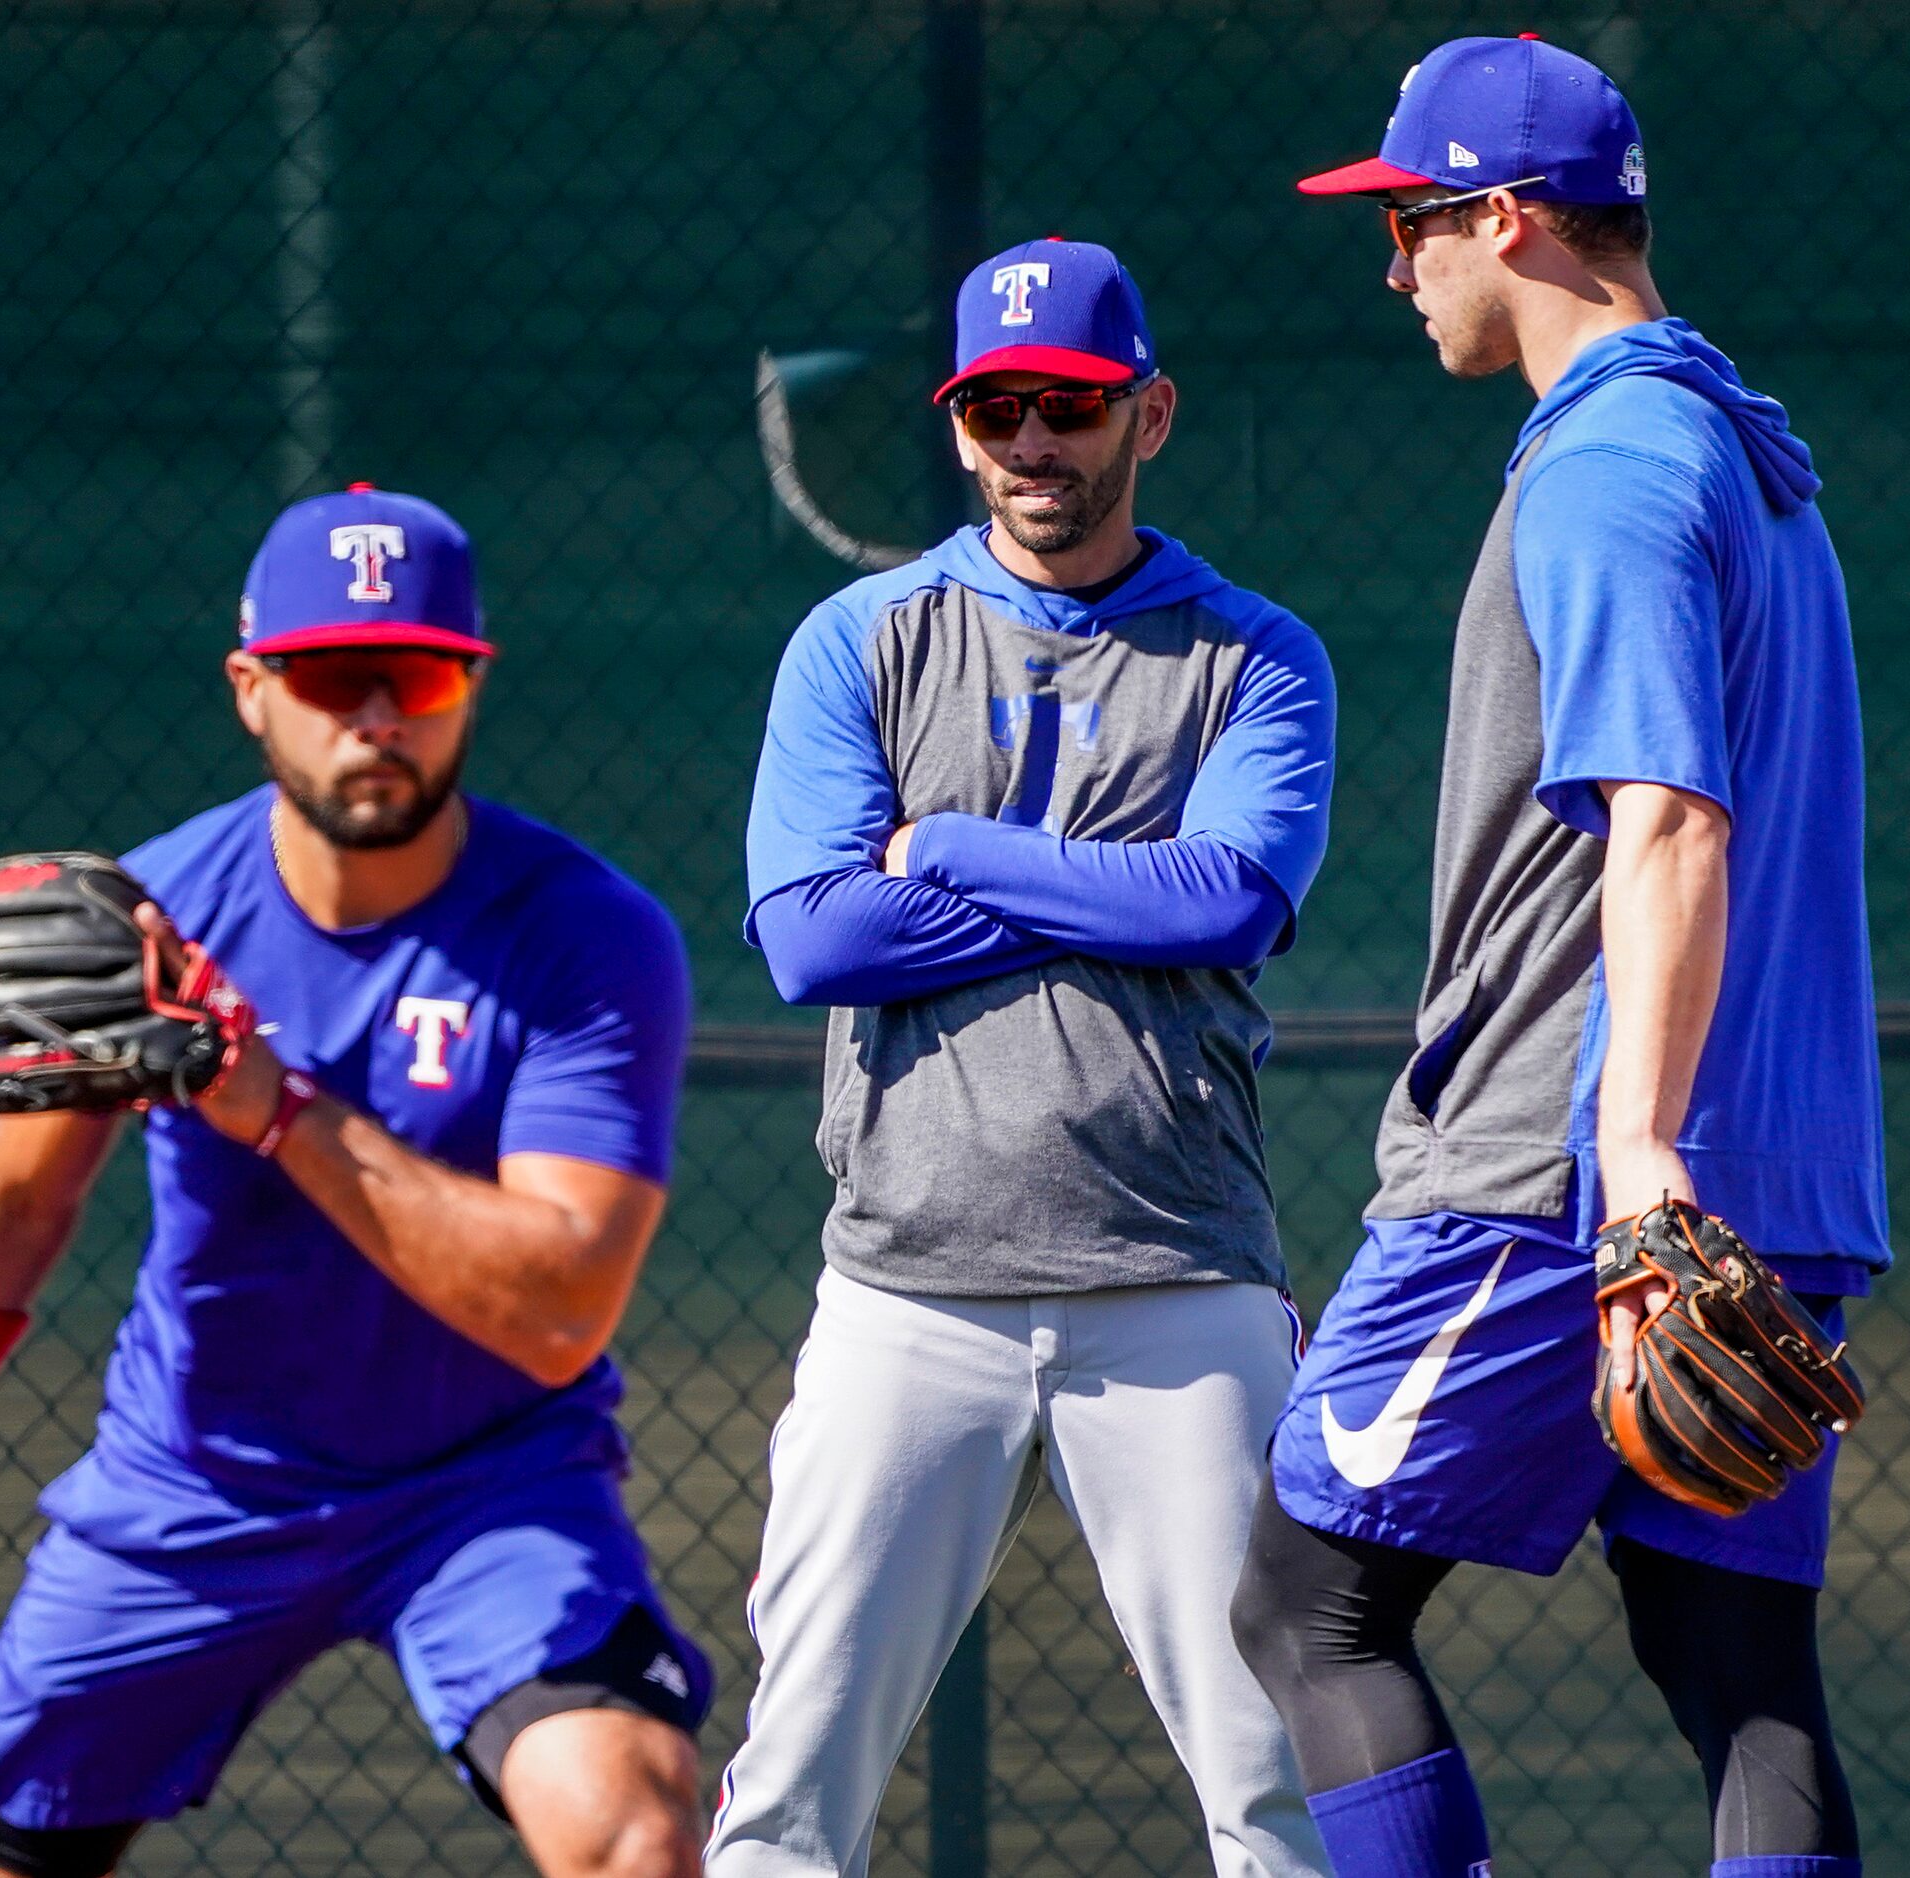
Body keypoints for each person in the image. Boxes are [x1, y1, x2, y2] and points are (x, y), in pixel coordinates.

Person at [0, 485, 714, 1878]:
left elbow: (560, 1304)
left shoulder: (583, 936)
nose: (377, 716)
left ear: (471, 686)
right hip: (199, 1483)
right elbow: (11, 1209)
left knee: (632, 1825)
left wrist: (267, 1102)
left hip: (485, 1483)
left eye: (419, 674)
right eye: (334, 676)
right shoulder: (149, 919)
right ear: (251, 690)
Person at [1234, 37, 1883, 1878]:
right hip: (1776, 1169)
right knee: (1730, 1653)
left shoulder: (1608, 462)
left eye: (1415, 220)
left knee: (1308, 1605)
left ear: (1508, 218)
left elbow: (1669, 819)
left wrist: (1632, 1163)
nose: (1396, 263)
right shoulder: (1754, 460)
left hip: (1563, 1170)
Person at [707, 239, 1335, 1878]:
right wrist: (1114, 902)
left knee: (1276, 1774)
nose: (1030, 444)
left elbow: (1232, 897)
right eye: (994, 409)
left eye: (1067, 405)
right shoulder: (860, 637)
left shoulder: (1252, 652)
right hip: (906, 1291)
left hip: (1175, 1275)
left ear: (1149, 412)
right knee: (789, 1786)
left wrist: (951, 849)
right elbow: (811, 939)